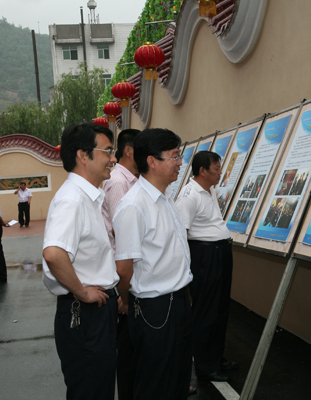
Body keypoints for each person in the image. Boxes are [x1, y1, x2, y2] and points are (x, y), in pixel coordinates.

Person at [113, 128, 193, 400]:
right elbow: (124, 268)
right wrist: (127, 301)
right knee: (156, 384)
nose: (179, 163)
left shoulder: (165, 197)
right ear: (151, 161)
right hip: (154, 308)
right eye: (174, 156)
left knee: (178, 378)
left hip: (178, 300)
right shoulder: (133, 206)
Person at [42, 122, 119, 400]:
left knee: (98, 387)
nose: (113, 159)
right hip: (85, 314)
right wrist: (82, 292)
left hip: (96, 311)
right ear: (83, 156)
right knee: (90, 389)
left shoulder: (87, 197)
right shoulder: (73, 200)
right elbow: (54, 253)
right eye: (107, 151)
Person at [175, 151, 238, 383]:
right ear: (202, 171)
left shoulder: (209, 190)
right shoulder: (189, 195)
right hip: (204, 256)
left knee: (221, 308)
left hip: (220, 253)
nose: (221, 172)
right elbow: (181, 234)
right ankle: (205, 365)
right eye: (217, 168)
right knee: (206, 310)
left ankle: (217, 357)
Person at [100, 128, 140, 400]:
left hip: (128, 271)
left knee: (133, 343)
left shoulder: (131, 180)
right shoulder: (118, 182)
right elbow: (120, 233)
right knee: (126, 345)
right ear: (129, 151)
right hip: (122, 274)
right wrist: (123, 292)